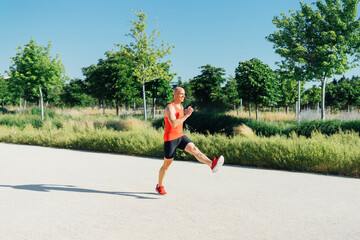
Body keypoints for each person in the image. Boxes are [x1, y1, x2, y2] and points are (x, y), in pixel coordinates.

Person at [156, 87, 224, 195]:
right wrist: (186, 115)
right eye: (181, 94)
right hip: (170, 139)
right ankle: (159, 186)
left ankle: (212, 164)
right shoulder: (170, 107)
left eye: (184, 94)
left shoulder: (181, 106)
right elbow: (173, 123)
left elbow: (179, 120)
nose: (184, 96)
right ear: (175, 94)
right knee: (166, 165)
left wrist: (185, 114)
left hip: (180, 136)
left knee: (194, 149)